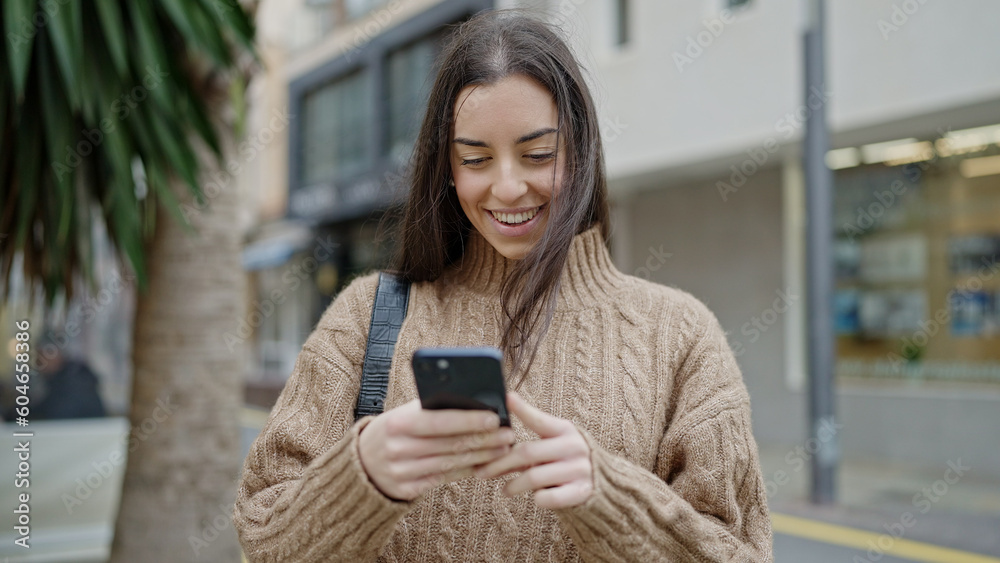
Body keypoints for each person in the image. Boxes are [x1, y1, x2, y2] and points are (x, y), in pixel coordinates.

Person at [234, 10, 772, 562]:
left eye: (538, 155)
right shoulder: (365, 316)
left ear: (581, 149)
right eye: (475, 159)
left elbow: (741, 553)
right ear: (445, 167)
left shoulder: (679, 336)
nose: (508, 187)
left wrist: (613, 499)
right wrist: (359, 476)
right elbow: (263, 535)